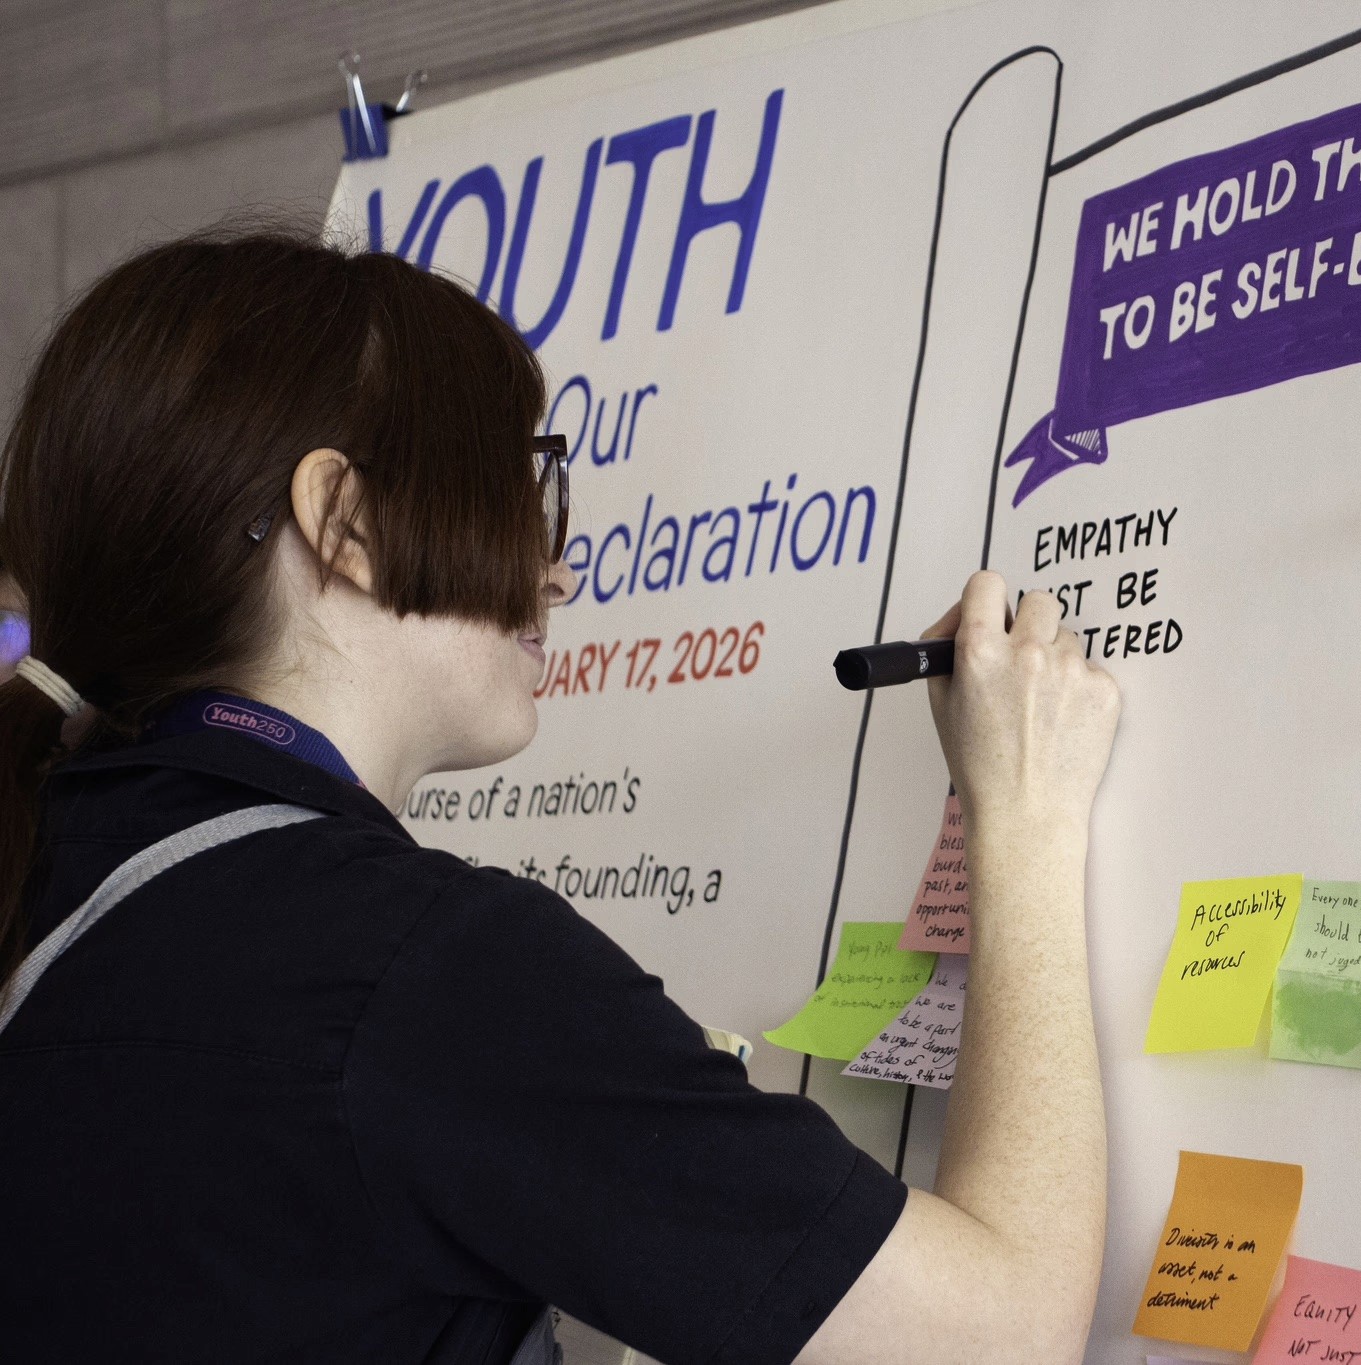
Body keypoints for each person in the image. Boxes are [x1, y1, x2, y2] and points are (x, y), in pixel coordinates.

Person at [0, 229, 1122, 1364]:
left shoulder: (52, 872)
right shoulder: (417, 973)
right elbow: (1005, 1334)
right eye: (512, 492)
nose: (558, 570)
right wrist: (1024, 810)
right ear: (345, 521)